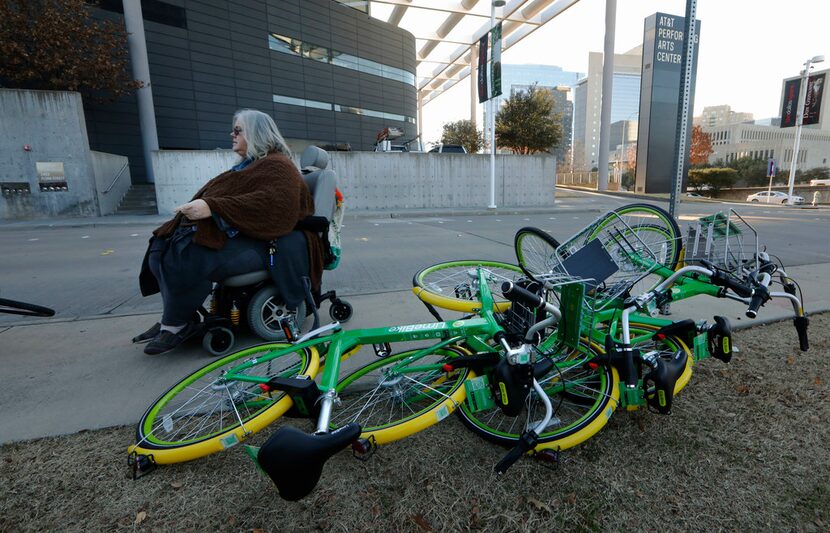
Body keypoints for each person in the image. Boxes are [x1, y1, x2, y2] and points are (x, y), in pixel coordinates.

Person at [135, 109, 324, 355]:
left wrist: (213, 207)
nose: (231, 134)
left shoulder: (278, 165)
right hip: (249, 235)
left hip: (270, 242)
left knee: (190, 254)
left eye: (238, 130)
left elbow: (274, 205)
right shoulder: (250, 165)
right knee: (162, 245)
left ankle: (176, 324)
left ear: (256, 134)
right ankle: (175, 316)